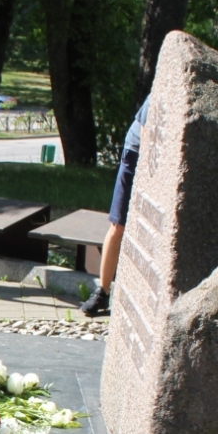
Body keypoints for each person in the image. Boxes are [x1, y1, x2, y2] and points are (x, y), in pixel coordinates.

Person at [79, 95, 149, 317]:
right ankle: (102, 292)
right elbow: (147, 135)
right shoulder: (161, 92)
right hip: (137, 152)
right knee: (119, 225)